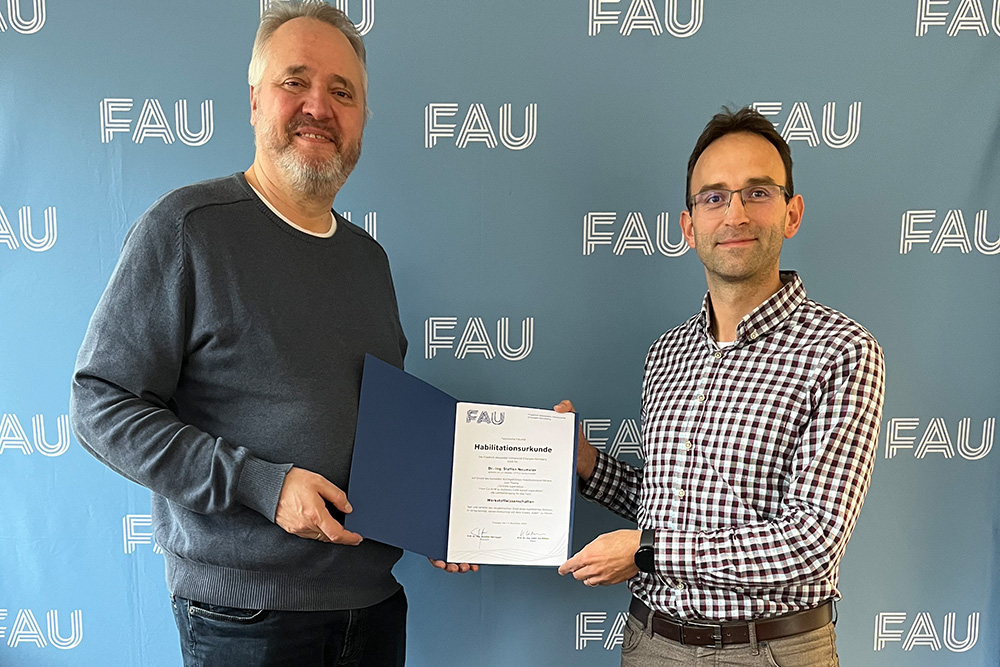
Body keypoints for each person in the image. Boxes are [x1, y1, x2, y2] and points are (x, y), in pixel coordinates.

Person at [71, 3, 472, 666]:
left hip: (374, 607)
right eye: (296, 81)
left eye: (342, 92)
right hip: (246, 618)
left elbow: (381, 432)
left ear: (362, 120)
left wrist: (435, 513)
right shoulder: (189, 228)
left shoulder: (369, 261)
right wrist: (264, 485)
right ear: (256, 100)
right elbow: (100, 403)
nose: (319, 106)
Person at [556, 107, 885, 666]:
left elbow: (812, 543)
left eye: (757, 192)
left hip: (769, 650)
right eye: (713, 197)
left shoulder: (841, 351)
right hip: (650, 643)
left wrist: (648, 552)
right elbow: (668, 508)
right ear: (689, 227)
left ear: (791, 213)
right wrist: (588, 465)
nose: (734, 213)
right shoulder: (667, 354)